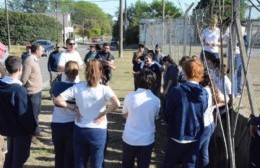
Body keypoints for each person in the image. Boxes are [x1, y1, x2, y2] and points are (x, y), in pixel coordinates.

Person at [54, 60, 120, 168]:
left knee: (80, 163)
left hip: (80, 129)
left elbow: (58, 100)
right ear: (101, 72)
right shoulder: (104, 89)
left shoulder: (78, 87)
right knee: (97, 163)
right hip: (98, 131)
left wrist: (74, 108)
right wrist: (104, 113)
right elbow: (116, 103)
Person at [162, 58, 208, 168]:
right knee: (190, 165)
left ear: (185, 72)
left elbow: (167, 112)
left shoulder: (177, 91)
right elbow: (204, 110)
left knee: (169, 164)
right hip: (195, 135)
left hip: (178, 134)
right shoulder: (204, 93)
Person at [0, 56, 37, 168]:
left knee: (10, 156)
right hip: (20, 130)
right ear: (20, 69)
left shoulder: (2, 85)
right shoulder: (19, 90)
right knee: (19, 159)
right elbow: (24, 115)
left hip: (7, 127)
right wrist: (34, 130)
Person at [121, 68, 160, 168]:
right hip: (146, 140)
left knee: (127, 164)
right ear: (152, 83)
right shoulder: (156, 100)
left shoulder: (129, 97)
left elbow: (124, 114)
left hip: (129, 138)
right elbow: (155, 116)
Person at [51, 61, 79, 168]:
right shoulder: (79, 87)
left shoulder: (57, 85)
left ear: (64, 72)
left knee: (59, 154)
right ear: (77, 73)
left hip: (57, 122)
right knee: (70, 155)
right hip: (72, 123)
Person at [198, 71, 224, 168]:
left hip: (204, 125)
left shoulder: (203, 91)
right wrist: (213, 107)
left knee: (196, 150)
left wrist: (213, 107)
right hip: (210, 123)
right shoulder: (212, 89)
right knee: (204, 151)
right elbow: (226, 100)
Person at [21, 44, 44, 136]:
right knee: (33, 114)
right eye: (41, 50)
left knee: (37, 112)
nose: (43, 52)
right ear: (37, 51)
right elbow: (24, 78)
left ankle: (36, 131)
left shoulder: (35, 60)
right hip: (31, 92)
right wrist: (21, 87)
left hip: (38, 90)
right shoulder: (29, 61)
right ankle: (31, 133)